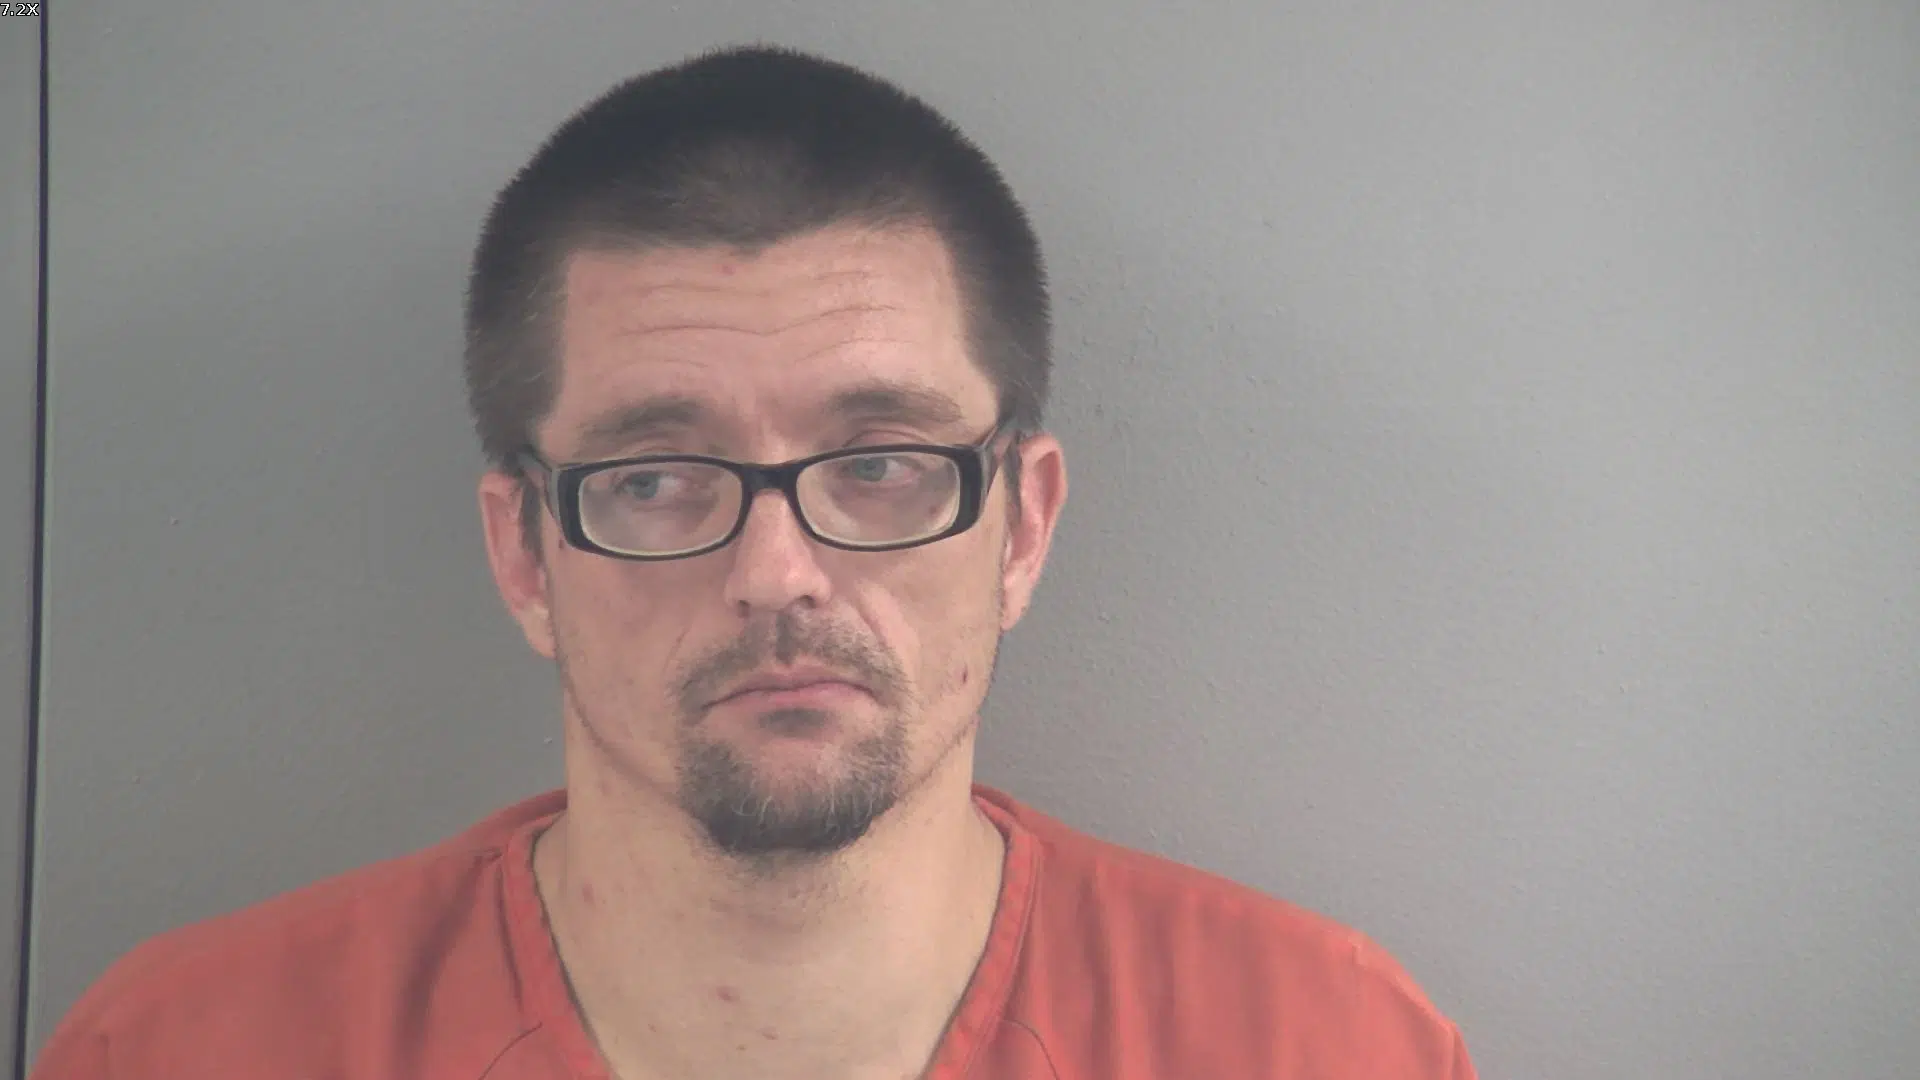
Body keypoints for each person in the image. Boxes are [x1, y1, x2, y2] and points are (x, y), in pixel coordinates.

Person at [33, 45, 1475, 1080]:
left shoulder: (1328, 1044)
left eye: (882, 462)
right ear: (524, 553)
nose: (777, 572)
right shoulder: (180, 1050)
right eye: (654, 478)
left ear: (1023, 527)